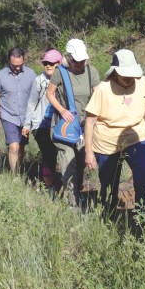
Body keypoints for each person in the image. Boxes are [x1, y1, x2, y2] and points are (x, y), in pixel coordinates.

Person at [83, 49, 145, 222]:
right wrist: (89, 152)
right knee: (109, 184)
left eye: (131, 74)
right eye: (125, 74)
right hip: (106, 142)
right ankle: (108, 219)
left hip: (137, 137)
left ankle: (143, 220)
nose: (129, 78)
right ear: (115, 71)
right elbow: (90, 122)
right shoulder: (103, 89)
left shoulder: (143, 83)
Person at [46, 39, 100, 207]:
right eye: (75, 61)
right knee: (69, 163)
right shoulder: (59, 72)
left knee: (81, 163)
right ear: (68, 58)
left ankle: (77, 192)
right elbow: (50, 94)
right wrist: (62, 110)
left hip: (85, 128)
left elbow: (98, 96)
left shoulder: (91, 72)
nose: (79, 64)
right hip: (65, 127)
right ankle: (73, 203)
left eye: (82, 60)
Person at [0, 47, 37, 176]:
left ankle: (19, 168)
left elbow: (36, 96)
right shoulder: (0, 75)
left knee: (21, 147)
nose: (17, 68)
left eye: (20, 65)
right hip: (8, 116)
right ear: (8, 61)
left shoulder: (31, 74)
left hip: (25, 117)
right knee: (13, 146)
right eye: (14, 65)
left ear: (24, 61)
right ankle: (14, 175)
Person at [30, 49, 62, 189]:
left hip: (58, 124)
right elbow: (31, 103)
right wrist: (27, 124)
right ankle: (50, 188)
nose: (48, 66)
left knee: (53, 154)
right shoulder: (39, 80)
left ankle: (52, 181)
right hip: (41, 125)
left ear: (58, 63)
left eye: (51, 63)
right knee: (49, 153)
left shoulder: (64, 80)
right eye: (45, 63)